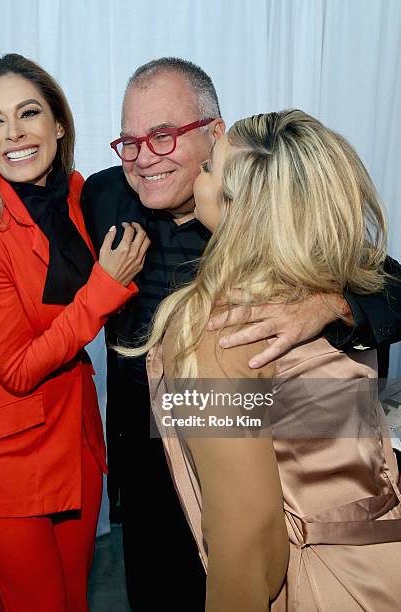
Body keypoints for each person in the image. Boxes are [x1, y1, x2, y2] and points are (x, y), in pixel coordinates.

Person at [0, 57, 401, 611]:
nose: (144, 160)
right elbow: (33, 256)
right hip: (145, 461)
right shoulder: (101, 197)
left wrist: (331, 304)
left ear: (216, 134)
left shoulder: (268, 210)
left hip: (260, 459)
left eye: (163, 137)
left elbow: (389, 285)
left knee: (256, 574)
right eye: (131, 142)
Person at [128, 110, 401, 611]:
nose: (197, 178)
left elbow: (251, 550)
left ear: (242, 207)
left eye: (208, 168)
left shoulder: (217, 331)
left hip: (321, 588)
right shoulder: (331, 274)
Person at [0, 53, 149, 612]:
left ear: (58, 124)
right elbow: (20, 368)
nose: (15, 133)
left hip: (74, 442)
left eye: (28, 112)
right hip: (3, 460)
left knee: (74, 600)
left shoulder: (80, 195)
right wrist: (104, 286)